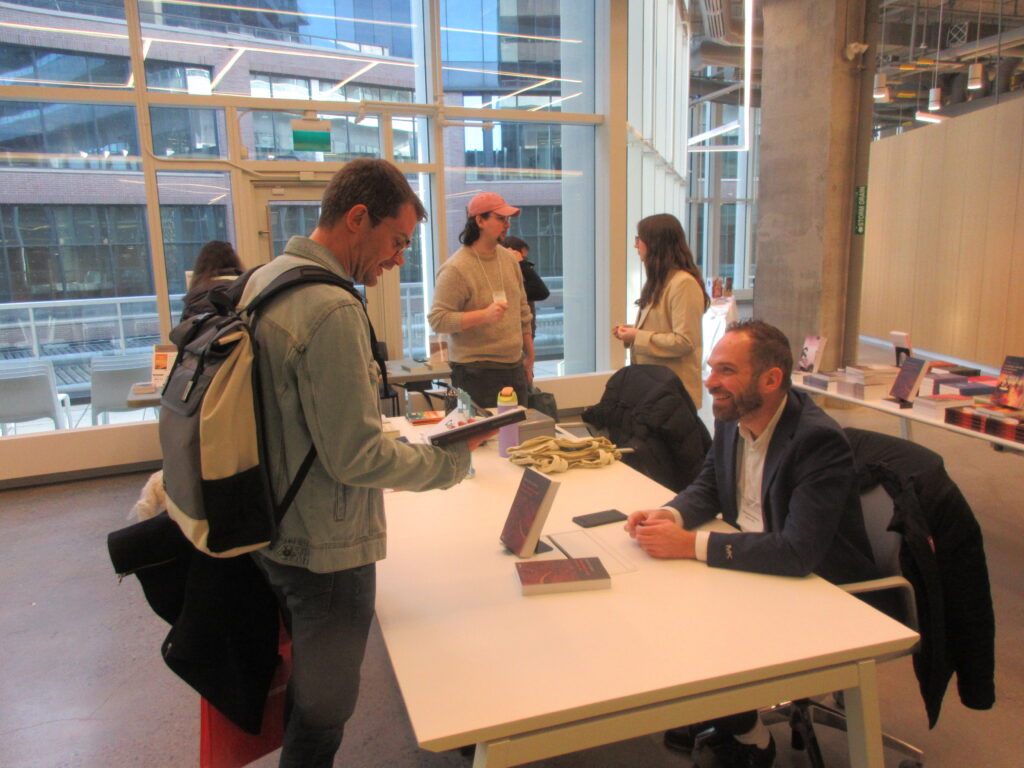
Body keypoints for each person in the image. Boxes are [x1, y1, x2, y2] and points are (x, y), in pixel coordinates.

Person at [240, 159, 491, 768]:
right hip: (327, 547)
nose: (399, 259)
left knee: (308, 691)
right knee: (324, 715)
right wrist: (449, 462)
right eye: (397, 241)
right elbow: (354, 456)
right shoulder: (330, 310)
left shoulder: (266, 279)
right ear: (358, 219)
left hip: (271, 522)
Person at [624, 319, 878, 768]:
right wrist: (670, 514)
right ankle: (716, 711)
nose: (709, 383)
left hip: (818, 585)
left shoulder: (817, 441)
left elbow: (797, 551)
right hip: (753, 555)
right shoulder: (733, 415)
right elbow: (709, 486)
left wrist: (691, 545)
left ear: (771, 379)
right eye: (710, 369)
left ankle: (747, 734)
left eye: (725, 370)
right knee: (658, 599)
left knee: (703, 617)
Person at [428, 192, 534, 407]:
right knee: (479, 439)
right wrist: (483, 316)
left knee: (515, 436)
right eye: (501, 219)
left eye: (508, 219)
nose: (507, 225)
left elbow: (523, 311)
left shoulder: (509, 260)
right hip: (473, 372)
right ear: (479, 220)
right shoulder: (456, 268)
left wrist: (529, 357)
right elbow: (438, 320)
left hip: (513, 368)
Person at [612, 214, 709, 407]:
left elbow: (684, 341)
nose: (636, 245)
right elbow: (663, 328)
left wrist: (637, 336)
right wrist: (631, 331)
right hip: (654, 390)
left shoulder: (683, 284)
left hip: (673, 394)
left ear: (655, 243)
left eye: (639, 239)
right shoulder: (660, 280)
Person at [180, 239, 244, 320]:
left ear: (201, 266)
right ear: (234, 261)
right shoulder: (246, 286)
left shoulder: (194, 297)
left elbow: (183, 329)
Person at [503, 235, 550, 340]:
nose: (525, 264)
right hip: (513, 340)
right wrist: (521, 264)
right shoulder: (507, 280)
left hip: (524, 338)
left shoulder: (520, 278)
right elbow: (541, 292)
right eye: (522, 259)